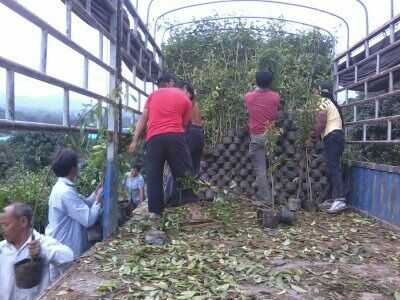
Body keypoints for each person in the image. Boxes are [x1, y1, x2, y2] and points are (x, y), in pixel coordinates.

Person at [128, 73, 198, 218]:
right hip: (175, 136)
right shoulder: (183, 97)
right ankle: (191, 208)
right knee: (184, 172)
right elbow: (184, 123)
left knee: (154, 175)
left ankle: (155, 212)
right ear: (171, 82)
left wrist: (135, 140)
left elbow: (143, 118)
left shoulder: (152, 96)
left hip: (154, 139)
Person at [0, 202, 74, 300]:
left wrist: (43, 251)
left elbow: (69, 257)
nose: (2, 230)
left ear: (23, 221)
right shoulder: (2, 248)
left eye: (6, 225)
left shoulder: (42, 243)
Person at [46, 148, 103, 258]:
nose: (79, 167)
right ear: (72, 169)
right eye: (77, 164)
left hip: (63, 244)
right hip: (67, 246)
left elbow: (82, 204)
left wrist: (95, 194)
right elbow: (88, 220)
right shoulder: (65, 192)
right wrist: (98, 200)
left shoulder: (63, 187)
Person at [164, 80, 205, 205]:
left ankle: (175, 197)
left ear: (187, 91)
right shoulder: (194, 103)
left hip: (192, 133)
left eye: (182, 90)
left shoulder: (188, 103)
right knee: (191, 167)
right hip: (197, 134)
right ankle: (187, 196)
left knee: (179, 165)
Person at [244, 70, 281, 203]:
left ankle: (265, 198)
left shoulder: (248, 97)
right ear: (270, 82)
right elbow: (275, 115)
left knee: (260, 169)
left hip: (257, 136)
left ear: (256, 81)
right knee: (273, 164)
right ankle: (276, 192)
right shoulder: (276, 96)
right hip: (271, 136)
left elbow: (248, 109)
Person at [312, 80, 347, 214]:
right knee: (333, 167)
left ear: (320, 91)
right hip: (335, 137)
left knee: (334, 167)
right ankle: (335, 198)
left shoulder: (323, 101)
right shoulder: (329, 102)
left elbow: (320, 122)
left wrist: (312, 137)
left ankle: (340, 199)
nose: (313, 93)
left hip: (332, 137)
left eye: (315, 90)